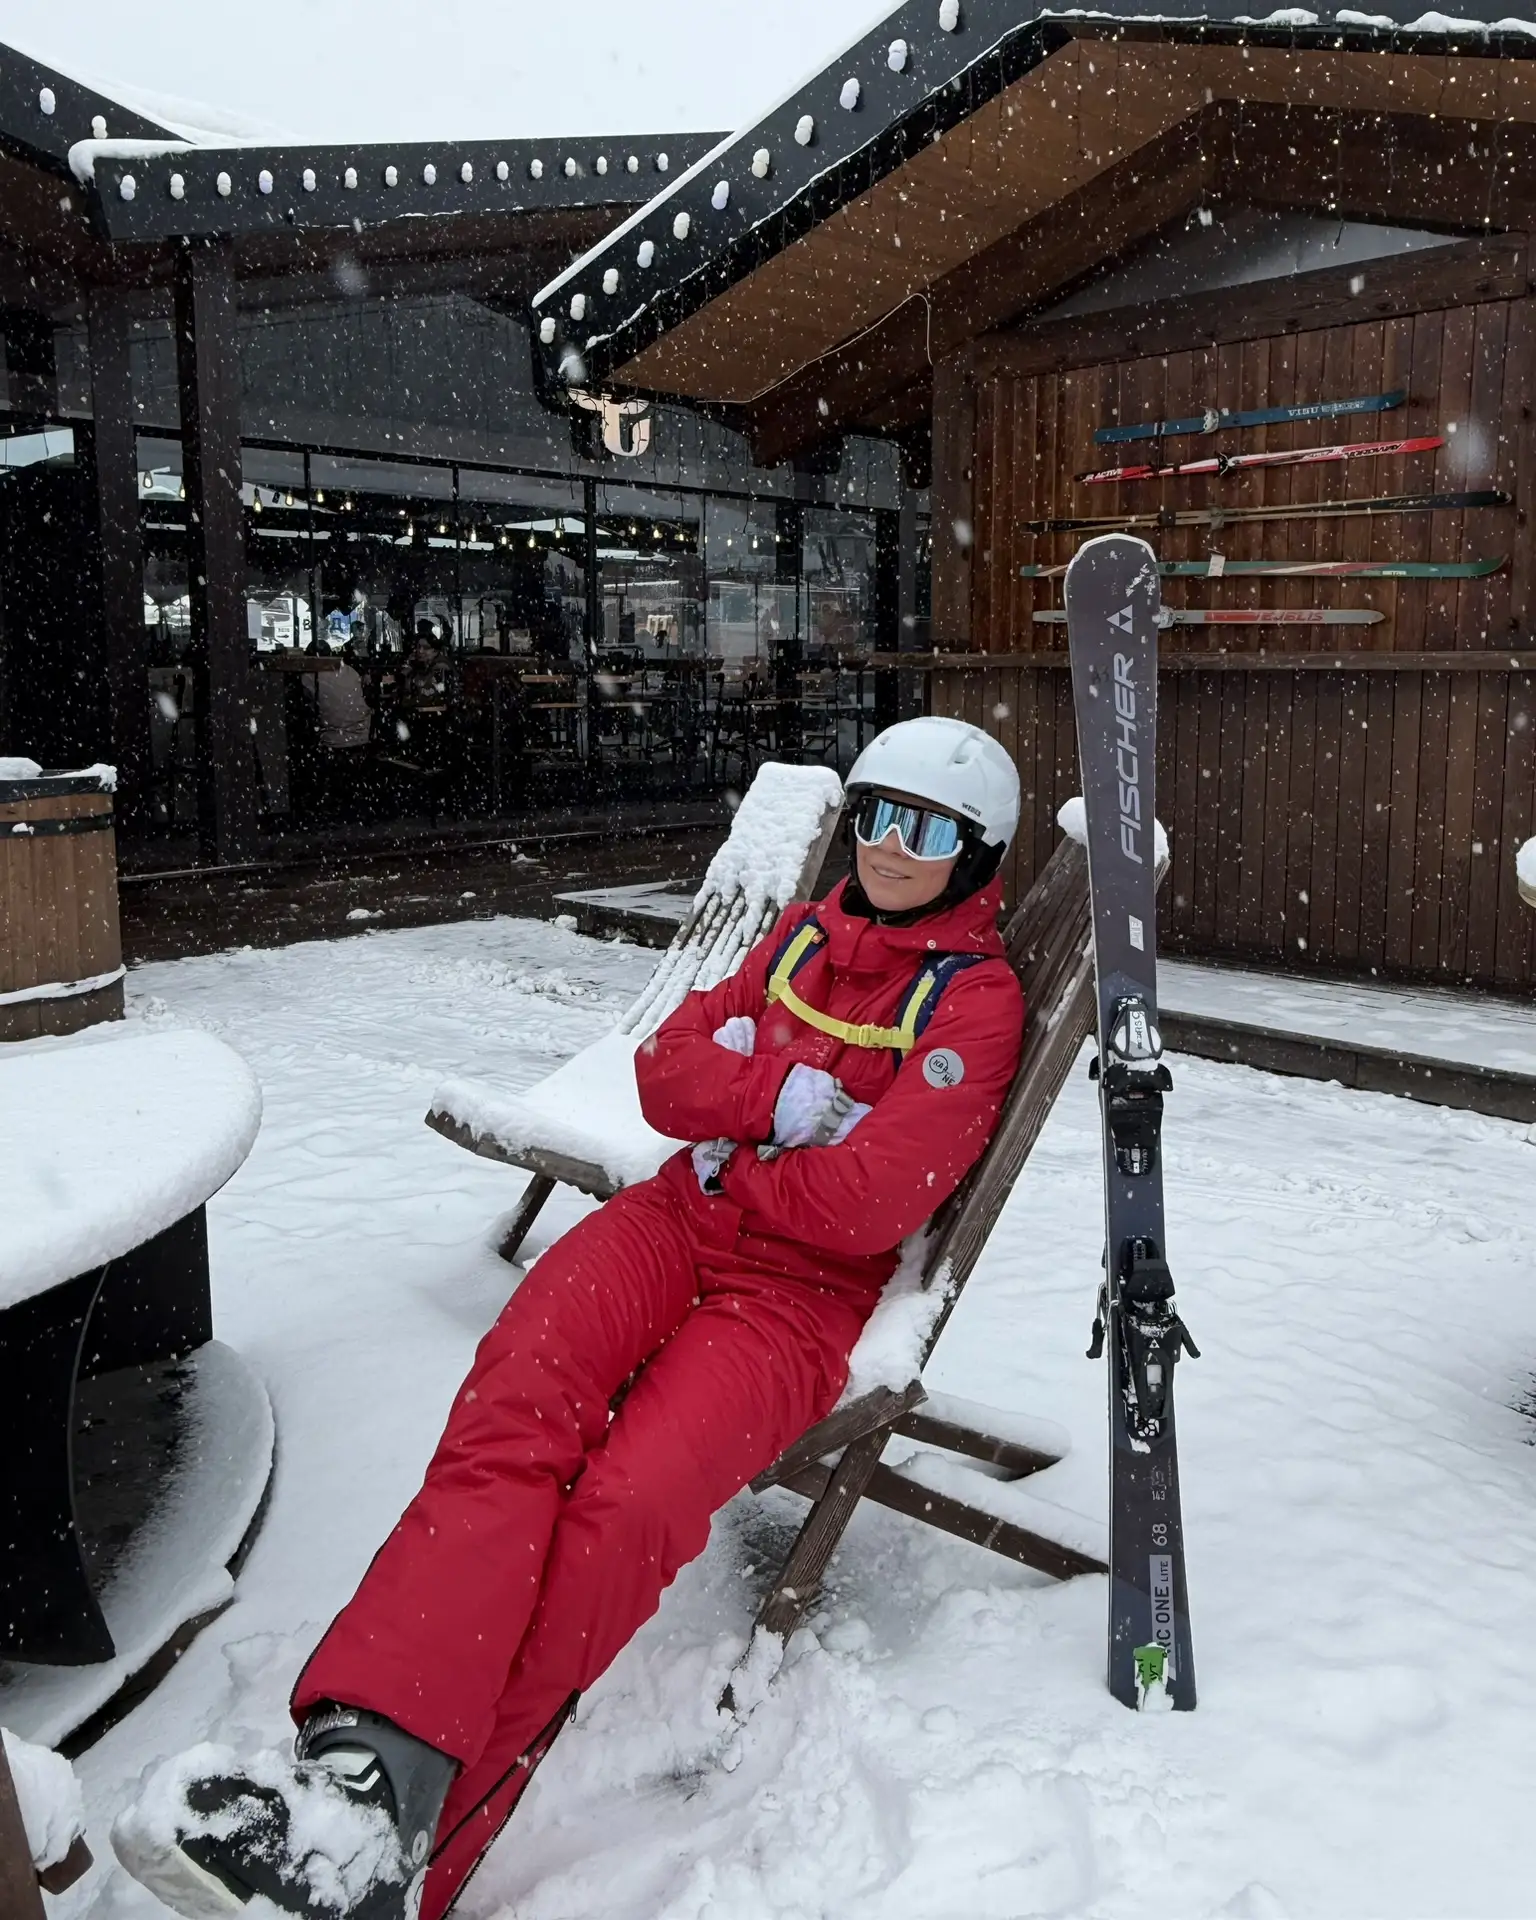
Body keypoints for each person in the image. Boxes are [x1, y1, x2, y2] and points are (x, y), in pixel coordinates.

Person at [114, 717, 1026, 1920]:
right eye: (877, 814)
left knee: (625, 1508)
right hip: (671, 1222)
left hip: (796, 1300)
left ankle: (405, 1862)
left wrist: (739, 1148)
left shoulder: (974, 1005)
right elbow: (665, 1074)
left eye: (929, 830)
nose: (891, 846)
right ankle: (362, 1775)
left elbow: (867, 1206)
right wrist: (783, 1101)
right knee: (513, 1410)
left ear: (976, 855)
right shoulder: (804, 937)